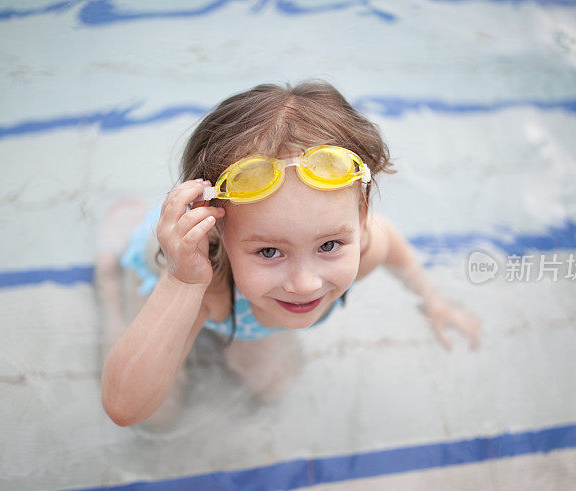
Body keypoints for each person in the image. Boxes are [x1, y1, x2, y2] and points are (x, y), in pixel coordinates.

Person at [98, 81, 481, 427]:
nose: (305, 283)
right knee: (161, 417)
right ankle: (110, 291)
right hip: (171, 267)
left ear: (361, 218)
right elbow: (124, 408)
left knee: (277, 384)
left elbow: (395, 246)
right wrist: (182, 281)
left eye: (329, 246)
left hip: (248, 309)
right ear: (219, 228)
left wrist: (434, 302)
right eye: (269, 251)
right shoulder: (205, 285)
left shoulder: (365, 244)